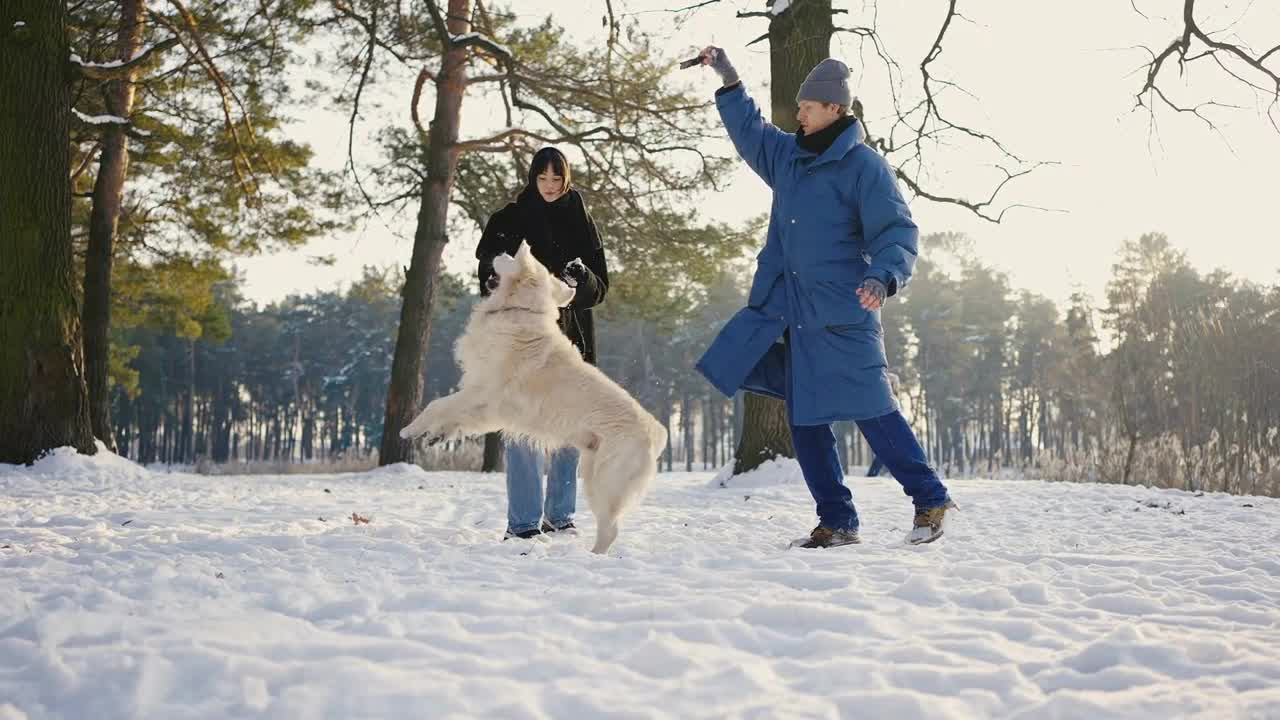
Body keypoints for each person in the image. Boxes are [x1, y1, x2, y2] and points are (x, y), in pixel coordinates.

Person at [694, 47, 955, 547]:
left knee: (874, 411)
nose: (799, 114)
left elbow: (898, 231)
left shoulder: (863, 167)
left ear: (835, 108)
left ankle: (930, 498)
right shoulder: (789, 157)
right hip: (789, 312)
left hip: (844, 311)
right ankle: (837, 521)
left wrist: (884, 276)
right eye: (799, 106)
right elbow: (749, 132)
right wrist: (728, 80)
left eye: (808, 106)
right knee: (807, 421)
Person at [475, 147, 610, 540]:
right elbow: (487, 267)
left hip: (570, 343)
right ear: (533, 178)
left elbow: (600, 287)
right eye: (543, 179)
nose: (550, 187)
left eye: (557, 179)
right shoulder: (510, 218)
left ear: (566, 180)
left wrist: (579, 280)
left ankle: (560, 517)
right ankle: (522, 524)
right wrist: (500, 275)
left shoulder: (582, 224)